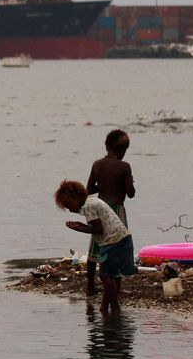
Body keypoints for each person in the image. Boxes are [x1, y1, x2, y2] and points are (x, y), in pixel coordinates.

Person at [55, 180, 135, 314]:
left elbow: (97, 229)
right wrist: (82, 226)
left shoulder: (87, 206)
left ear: (74, 198)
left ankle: (115, 308)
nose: (70, 210)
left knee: (105, 276)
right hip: (121, 239)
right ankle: (104, 307)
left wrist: (80, 228)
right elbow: (97, 227)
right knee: (109, 275)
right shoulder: (92, 202)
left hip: (113, 241)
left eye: (69, 206)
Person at [85, 129, 135, 296]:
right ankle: (117, 288)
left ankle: (90, 286)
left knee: (95, 247)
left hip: (99, 208)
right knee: (118, 246)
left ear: (106, 146)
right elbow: (131, 193)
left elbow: (89, 189)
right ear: (122, 150)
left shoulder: (97, 164)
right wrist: (127, 181)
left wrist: (104, 185)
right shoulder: (124, 167)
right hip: (116, 210)